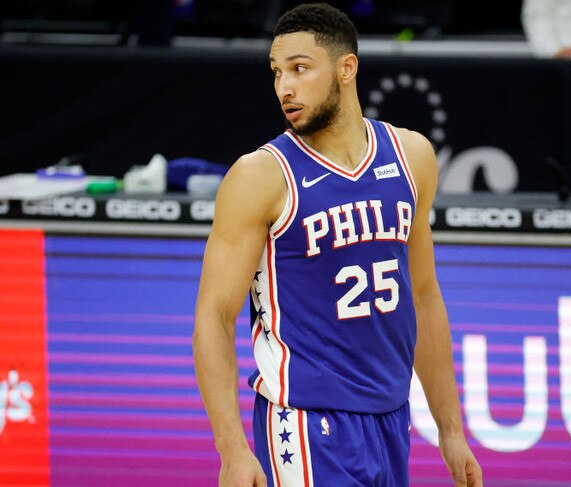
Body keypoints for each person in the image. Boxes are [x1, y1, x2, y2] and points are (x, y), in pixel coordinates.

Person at [193, 3, 482, 486]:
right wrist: (232, 449)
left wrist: (451, 430)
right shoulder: (260, 176)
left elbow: (424, 296)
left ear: (347, 68)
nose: (284, 86)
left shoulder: (411, 156)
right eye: (277, 72)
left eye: (300, 69)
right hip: (305, 421)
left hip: (391, 418)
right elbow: (214, 317)